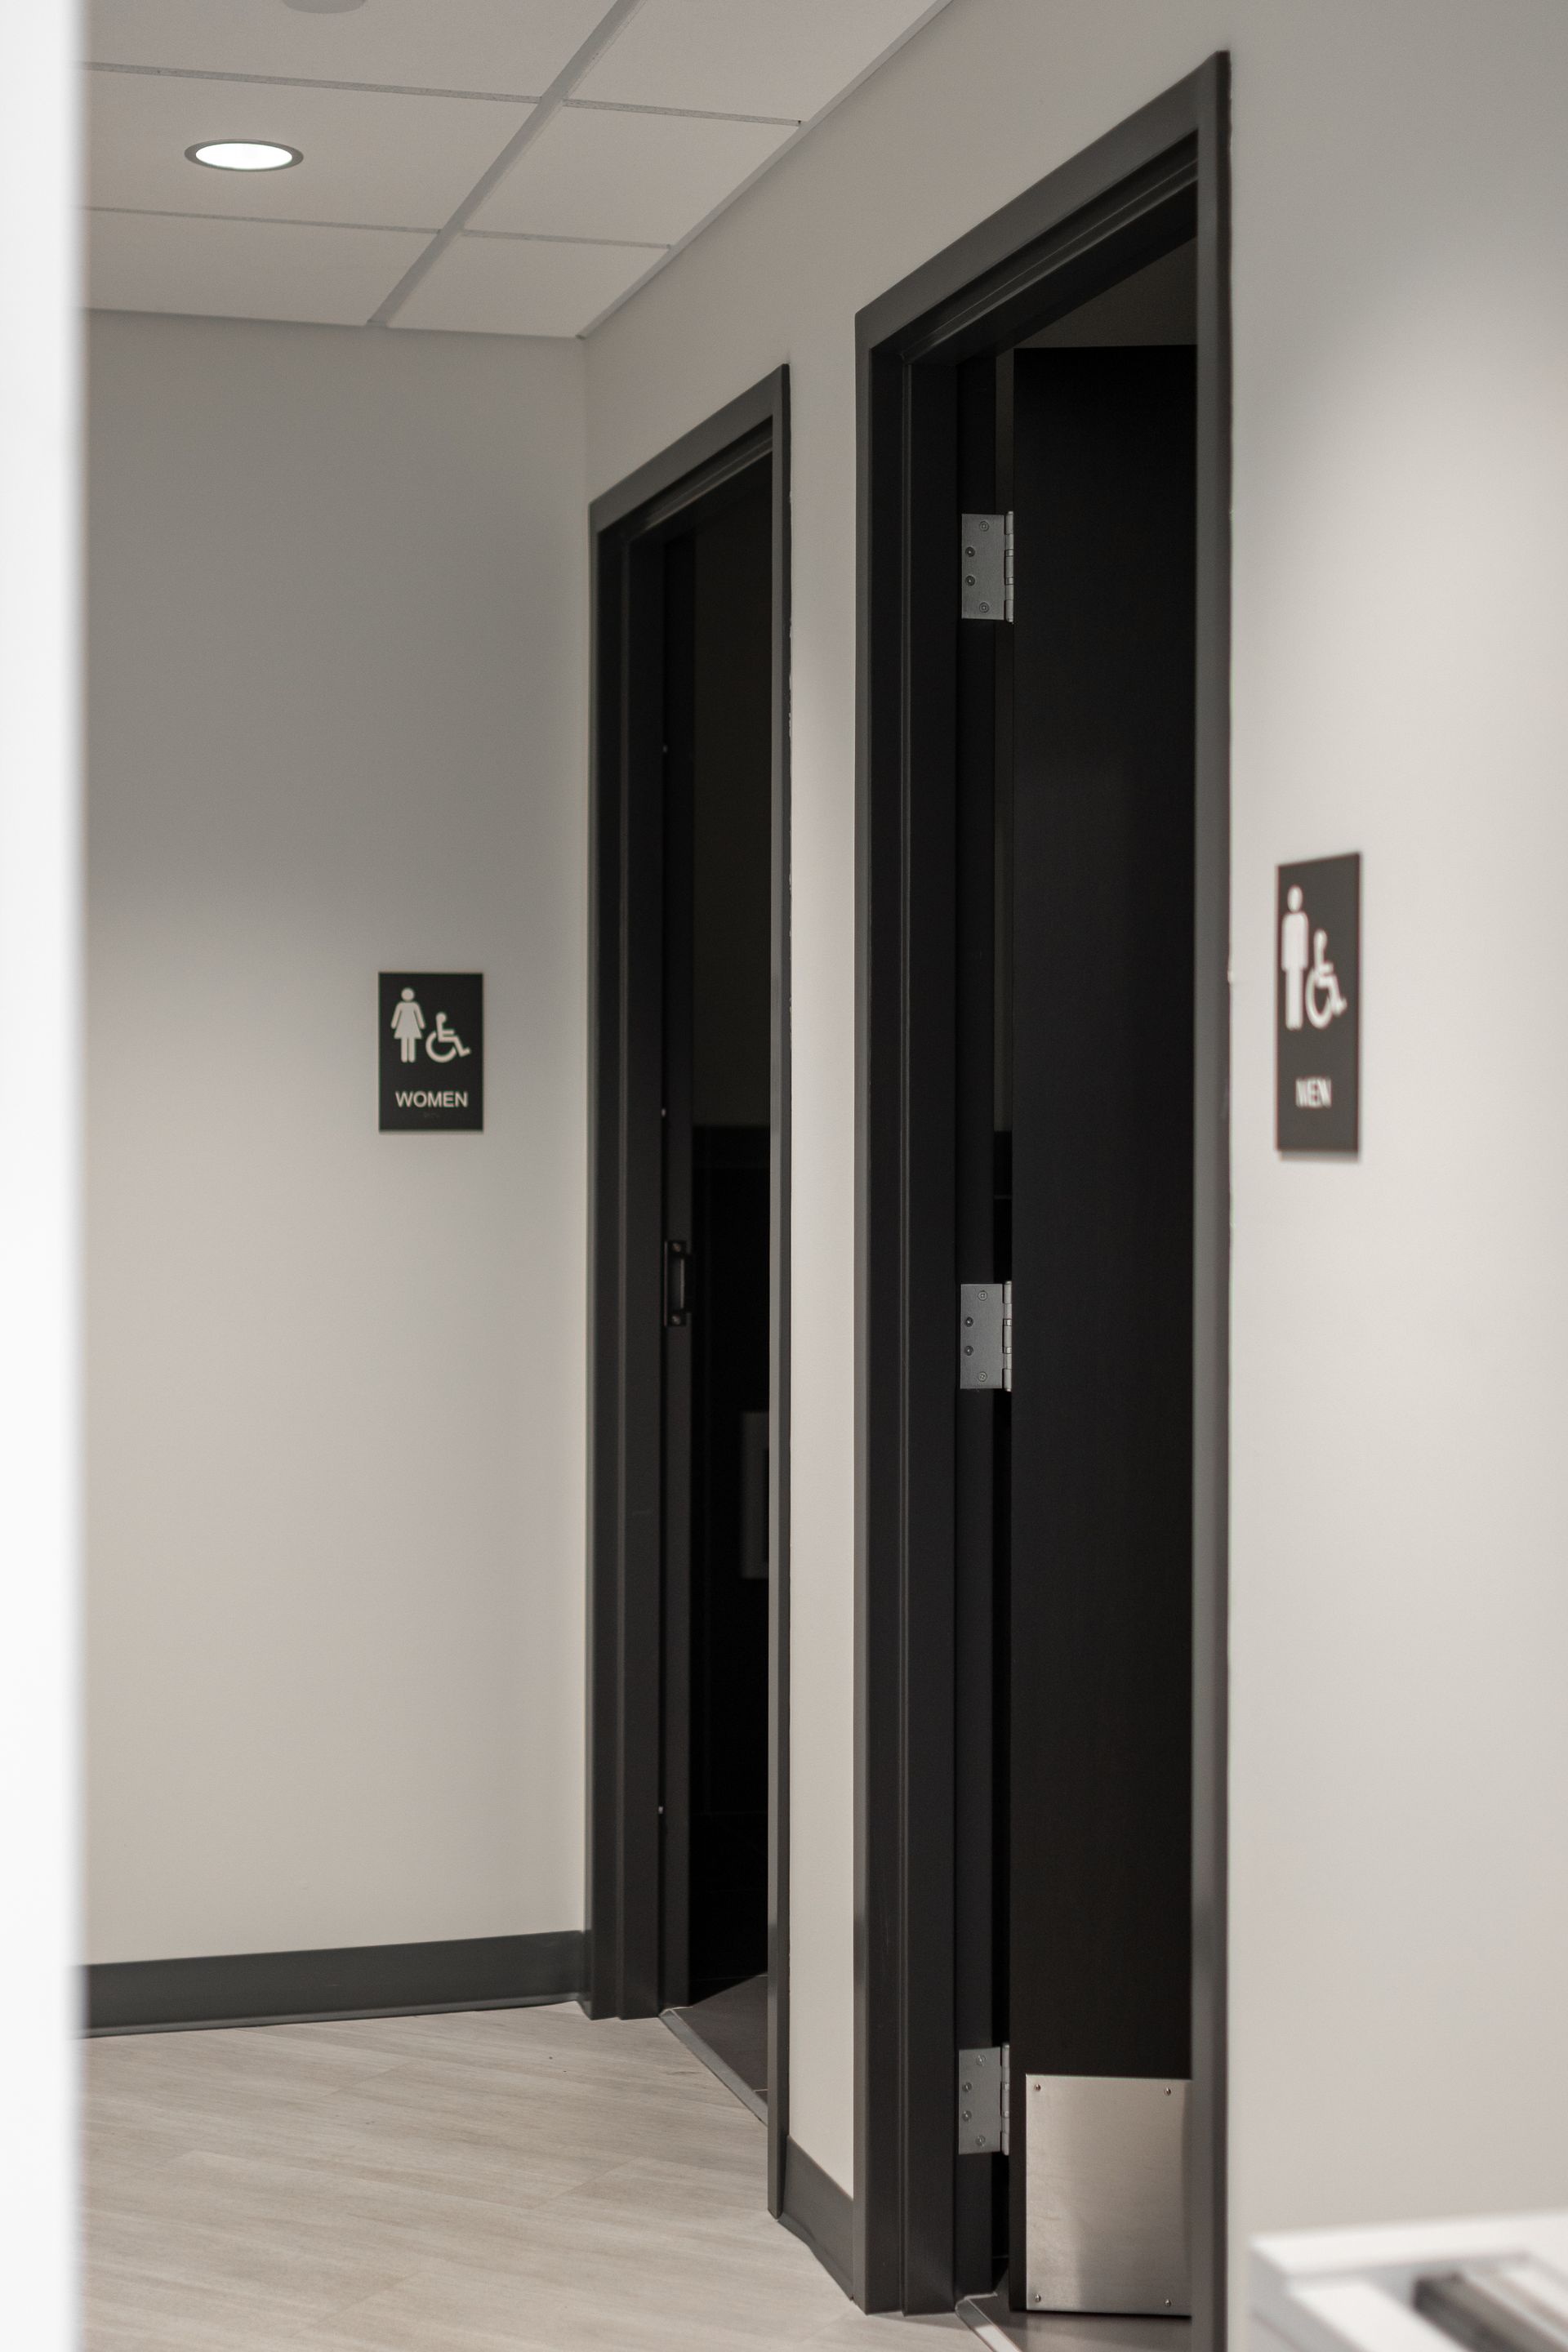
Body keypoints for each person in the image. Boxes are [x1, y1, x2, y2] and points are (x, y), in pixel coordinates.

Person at [1281, 886, 1309, 1031]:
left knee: (1297, 989)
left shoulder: (1301, 919)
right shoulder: (1287, 920)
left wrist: (1304, 961)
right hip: (1290, 961)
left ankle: (1297, 1020)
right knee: (1290, 990)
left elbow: (1303, 941)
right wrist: (1284, 963)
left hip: (1297, 961)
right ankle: (1291, 1020)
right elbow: (1285, 941)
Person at [390, 987, 425, 1062]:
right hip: (403, 1025)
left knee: (411, 1041)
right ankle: (405, 1057)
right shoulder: (401, 1005)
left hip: (412, 1025)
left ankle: (411, 1057)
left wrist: (422, 1025)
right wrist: (394, 1024)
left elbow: (418, 1015)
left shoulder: (414, 1005)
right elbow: (397, 1015)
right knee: (404, 1040)